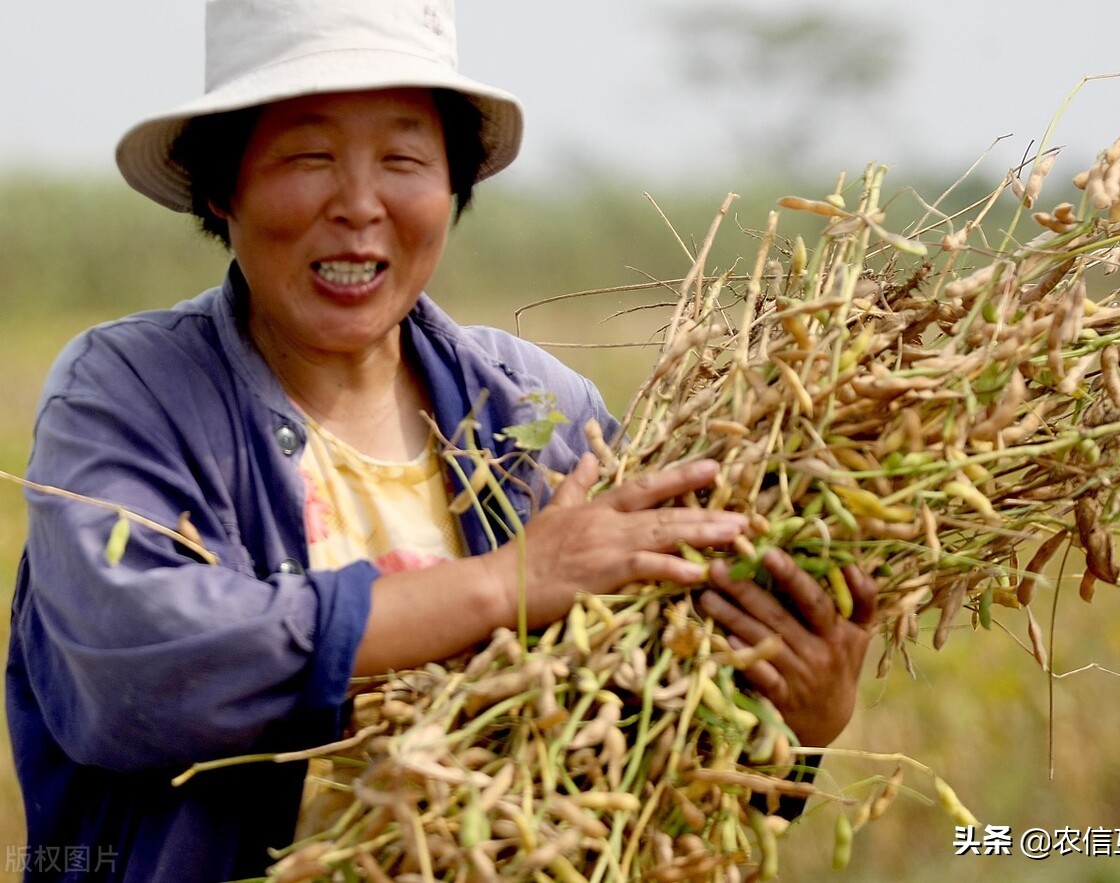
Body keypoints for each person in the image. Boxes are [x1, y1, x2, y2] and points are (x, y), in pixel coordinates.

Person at [5, 1, 878, 880]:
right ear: (223, 184)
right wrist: (509, 582)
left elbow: (655, 767)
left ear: (452, 184)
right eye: (309, 156)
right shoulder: (130, 393)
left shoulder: (544, 420)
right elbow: (134, 668)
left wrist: (799, 725)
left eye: (404, 159)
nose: (358, 205)